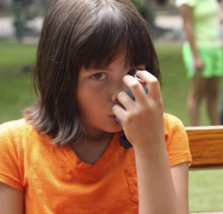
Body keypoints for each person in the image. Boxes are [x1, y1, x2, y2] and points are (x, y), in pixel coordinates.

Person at [0, 0, 192, 213]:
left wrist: (149, 145)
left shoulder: (164, 133)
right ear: (61, 80)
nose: (119, 94)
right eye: (99, 76)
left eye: (132, 73)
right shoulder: (13, 145)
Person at [175, 0, 223, 126]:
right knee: (197, 94)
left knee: (213, 94)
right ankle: (197, 133)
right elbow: (187, 26)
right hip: (199, 50)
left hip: (215, 48)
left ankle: (218, 132)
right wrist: (196, 56)